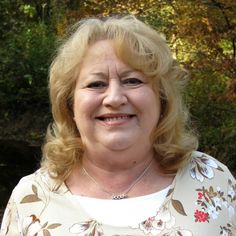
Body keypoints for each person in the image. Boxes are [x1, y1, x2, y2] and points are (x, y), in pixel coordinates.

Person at [0, 15, 235, 236]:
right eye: (95, 84)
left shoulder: (214, 182)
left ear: (162, 98)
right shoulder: (31, 200)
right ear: (69, 103)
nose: (114, 98)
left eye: (132, 81)